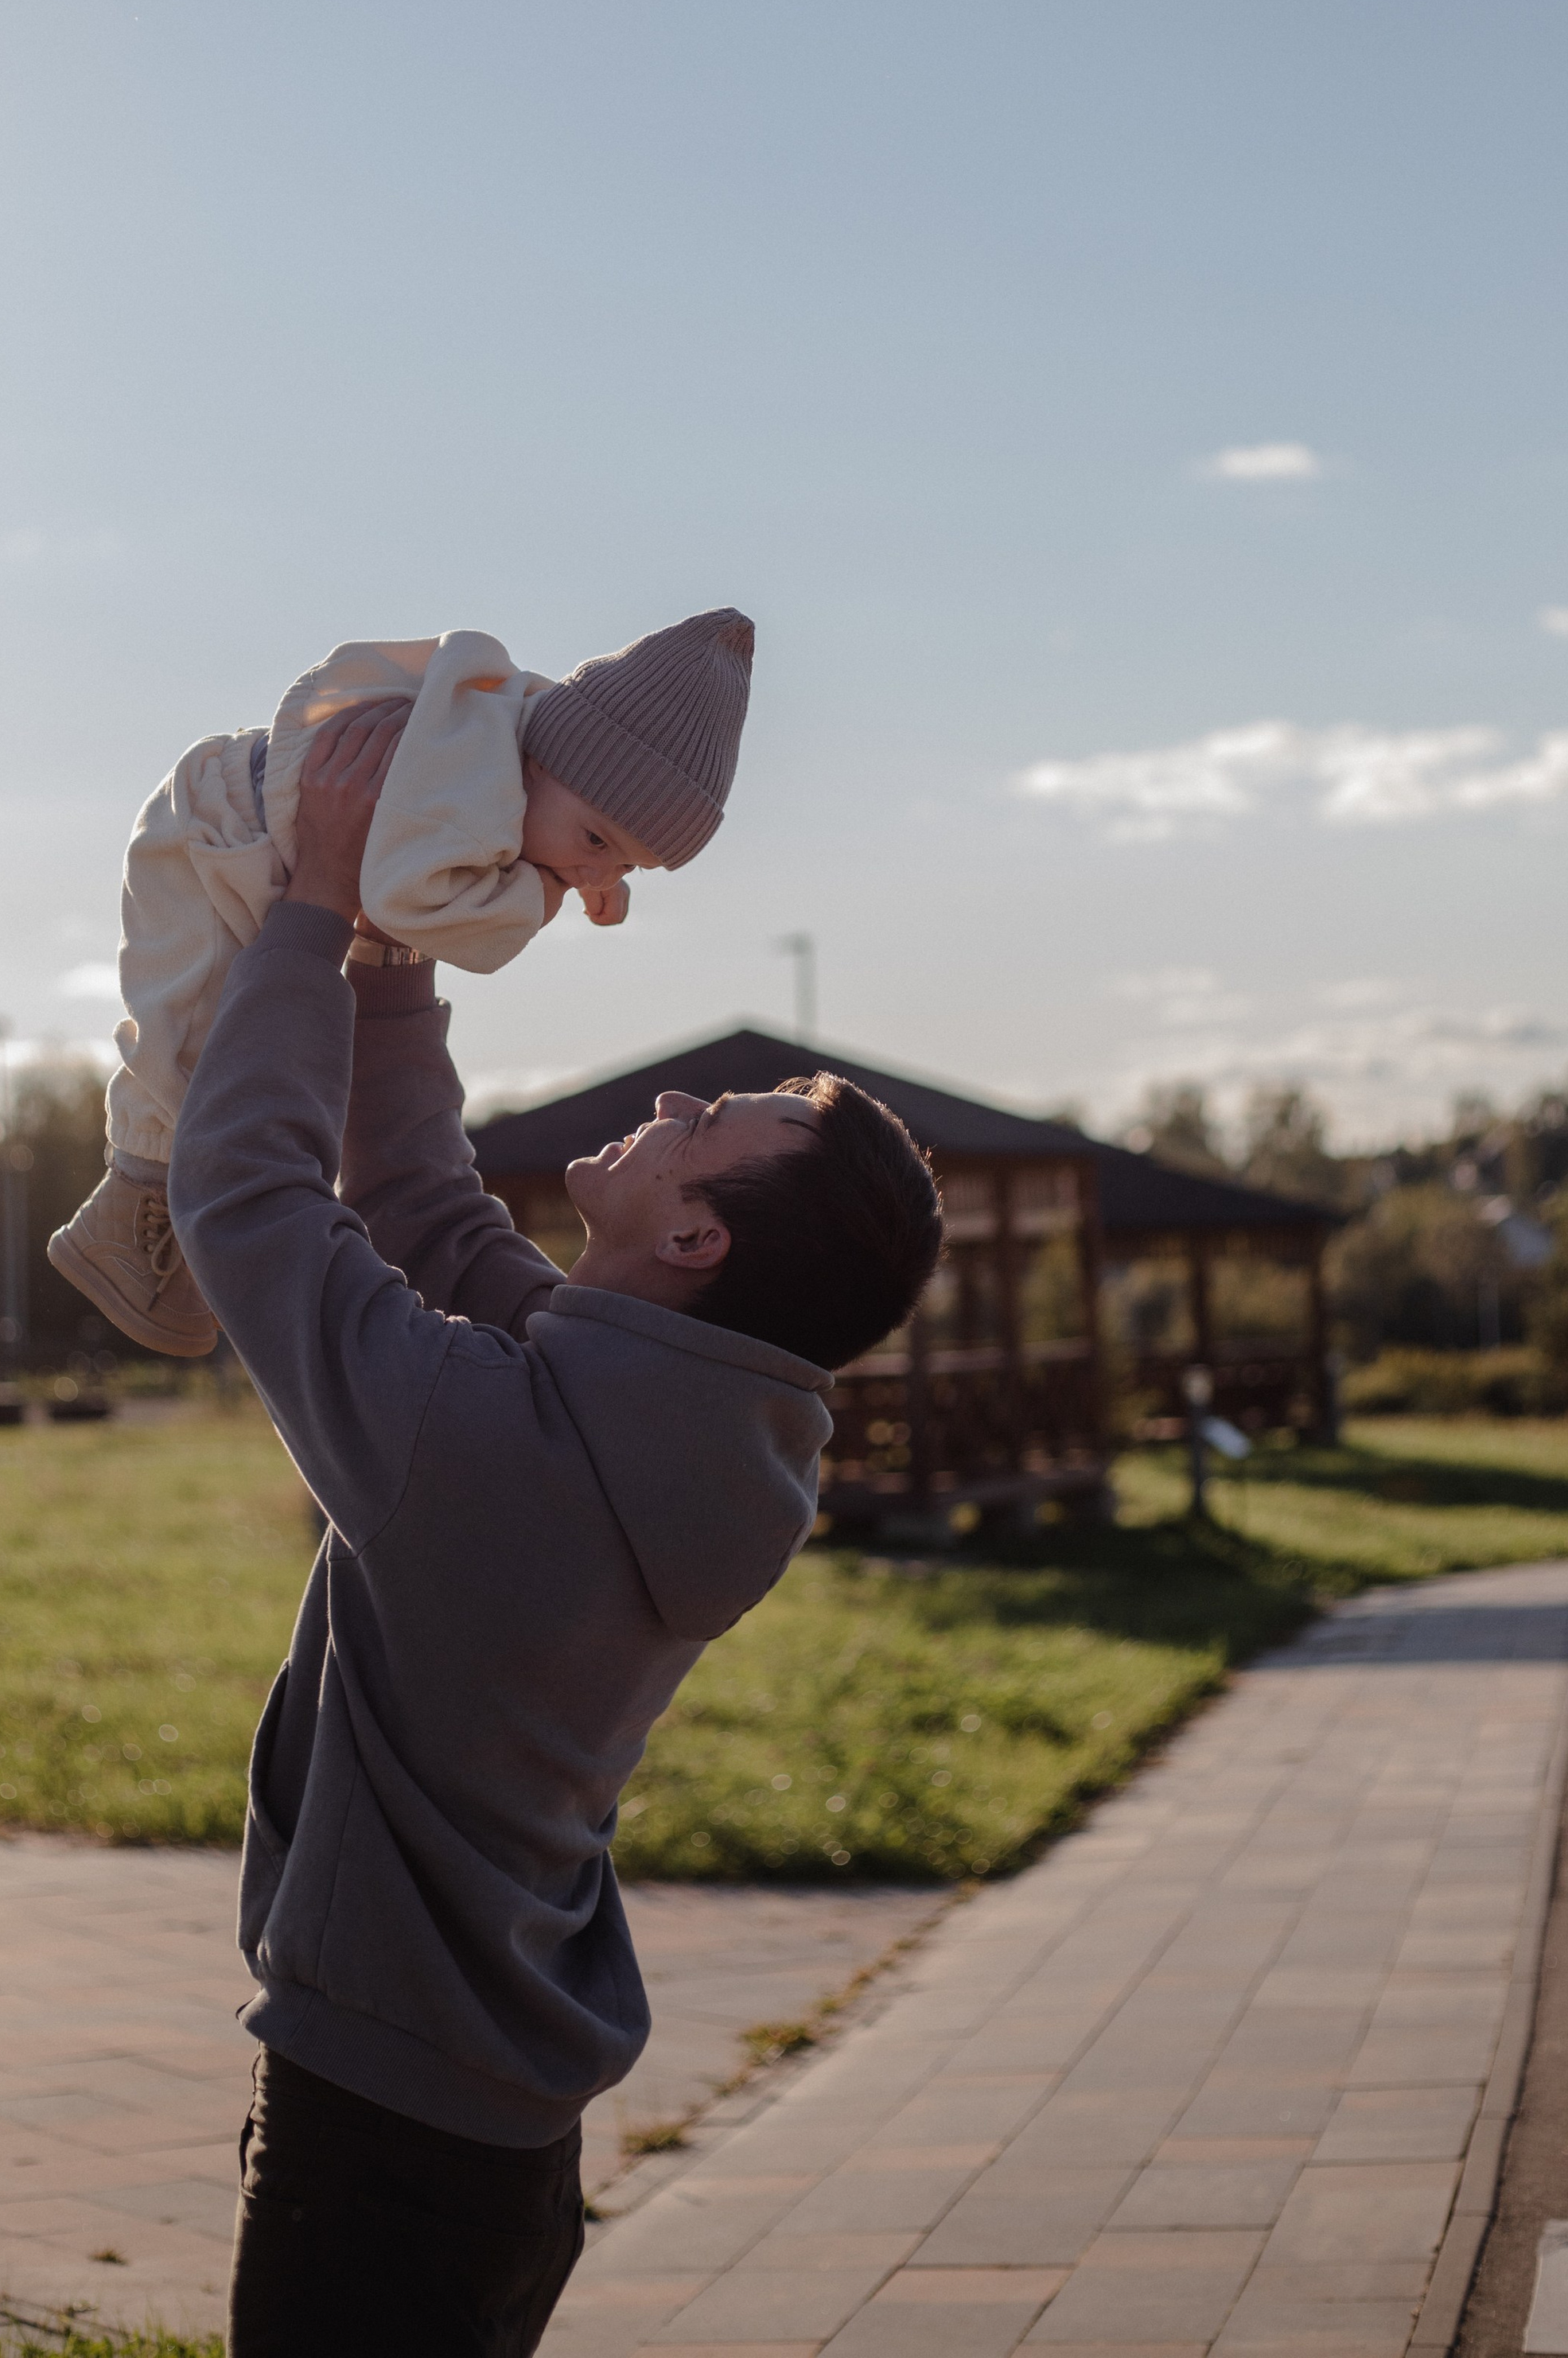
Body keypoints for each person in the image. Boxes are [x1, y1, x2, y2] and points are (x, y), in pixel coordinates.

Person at [167, 707, 944, 2356]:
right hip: (489, 2138)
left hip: (381, 2145)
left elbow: (245, 1200)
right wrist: (391, 955)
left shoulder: (505, 1454)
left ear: (694, 1235)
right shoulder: (652, 1427)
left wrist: (312, 903)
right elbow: (425, 1213)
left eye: (704, 1122)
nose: (669, 1098)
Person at [49, 606, 756, 1355]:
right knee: (193, 1048)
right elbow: (407, 907)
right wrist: (544, 893)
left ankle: (151, 1238)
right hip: (208, 841)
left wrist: (580, 860)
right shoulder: (474, 787)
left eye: (625, 864)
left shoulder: (511, 759)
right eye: (594, 842)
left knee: (237, 1055)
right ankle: (128, 1219)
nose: (595, 873)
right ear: (544, 762)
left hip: (244, 843)